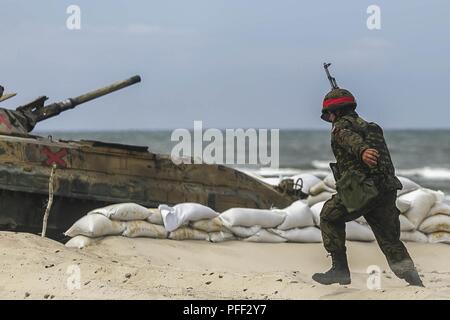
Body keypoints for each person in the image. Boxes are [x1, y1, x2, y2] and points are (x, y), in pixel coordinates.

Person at [312, 87, 424, 287]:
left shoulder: (340, 127)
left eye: (329, 115)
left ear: (335, 112)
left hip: (363, 190)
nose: (329, 119)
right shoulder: (373, 127)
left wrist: (362, 151)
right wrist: (364, 150)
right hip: (386, 190)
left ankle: (340, 269)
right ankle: (413, 280)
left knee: (329, 215)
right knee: (389, 239)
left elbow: (349, 138)